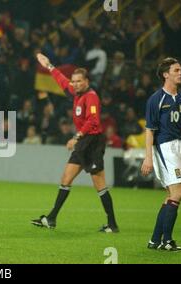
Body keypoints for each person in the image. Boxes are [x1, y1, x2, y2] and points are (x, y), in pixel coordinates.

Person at [31, 53, 119, 233]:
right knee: (66, 179)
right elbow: (62, 81)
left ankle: (112, 224)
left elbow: (93, 121)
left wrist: (76, 137)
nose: (75, 84)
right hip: (83, 143)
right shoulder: (76, 92)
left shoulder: (91, 96)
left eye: (79, 81)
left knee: (99, 184)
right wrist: (49, 66)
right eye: (74, 81)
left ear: (87, 81)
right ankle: (51, 218)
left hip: (93, 143)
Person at [141, 57, 181, 251]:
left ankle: (155, 240)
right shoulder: (156, 99)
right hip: (164, 148)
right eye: (176, 70)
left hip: (179, 148)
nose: (180, 73)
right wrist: (148, 157)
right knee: (179, 191)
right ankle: (166, 240)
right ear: (166, 74)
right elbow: (149, 129)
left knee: (171, 196)